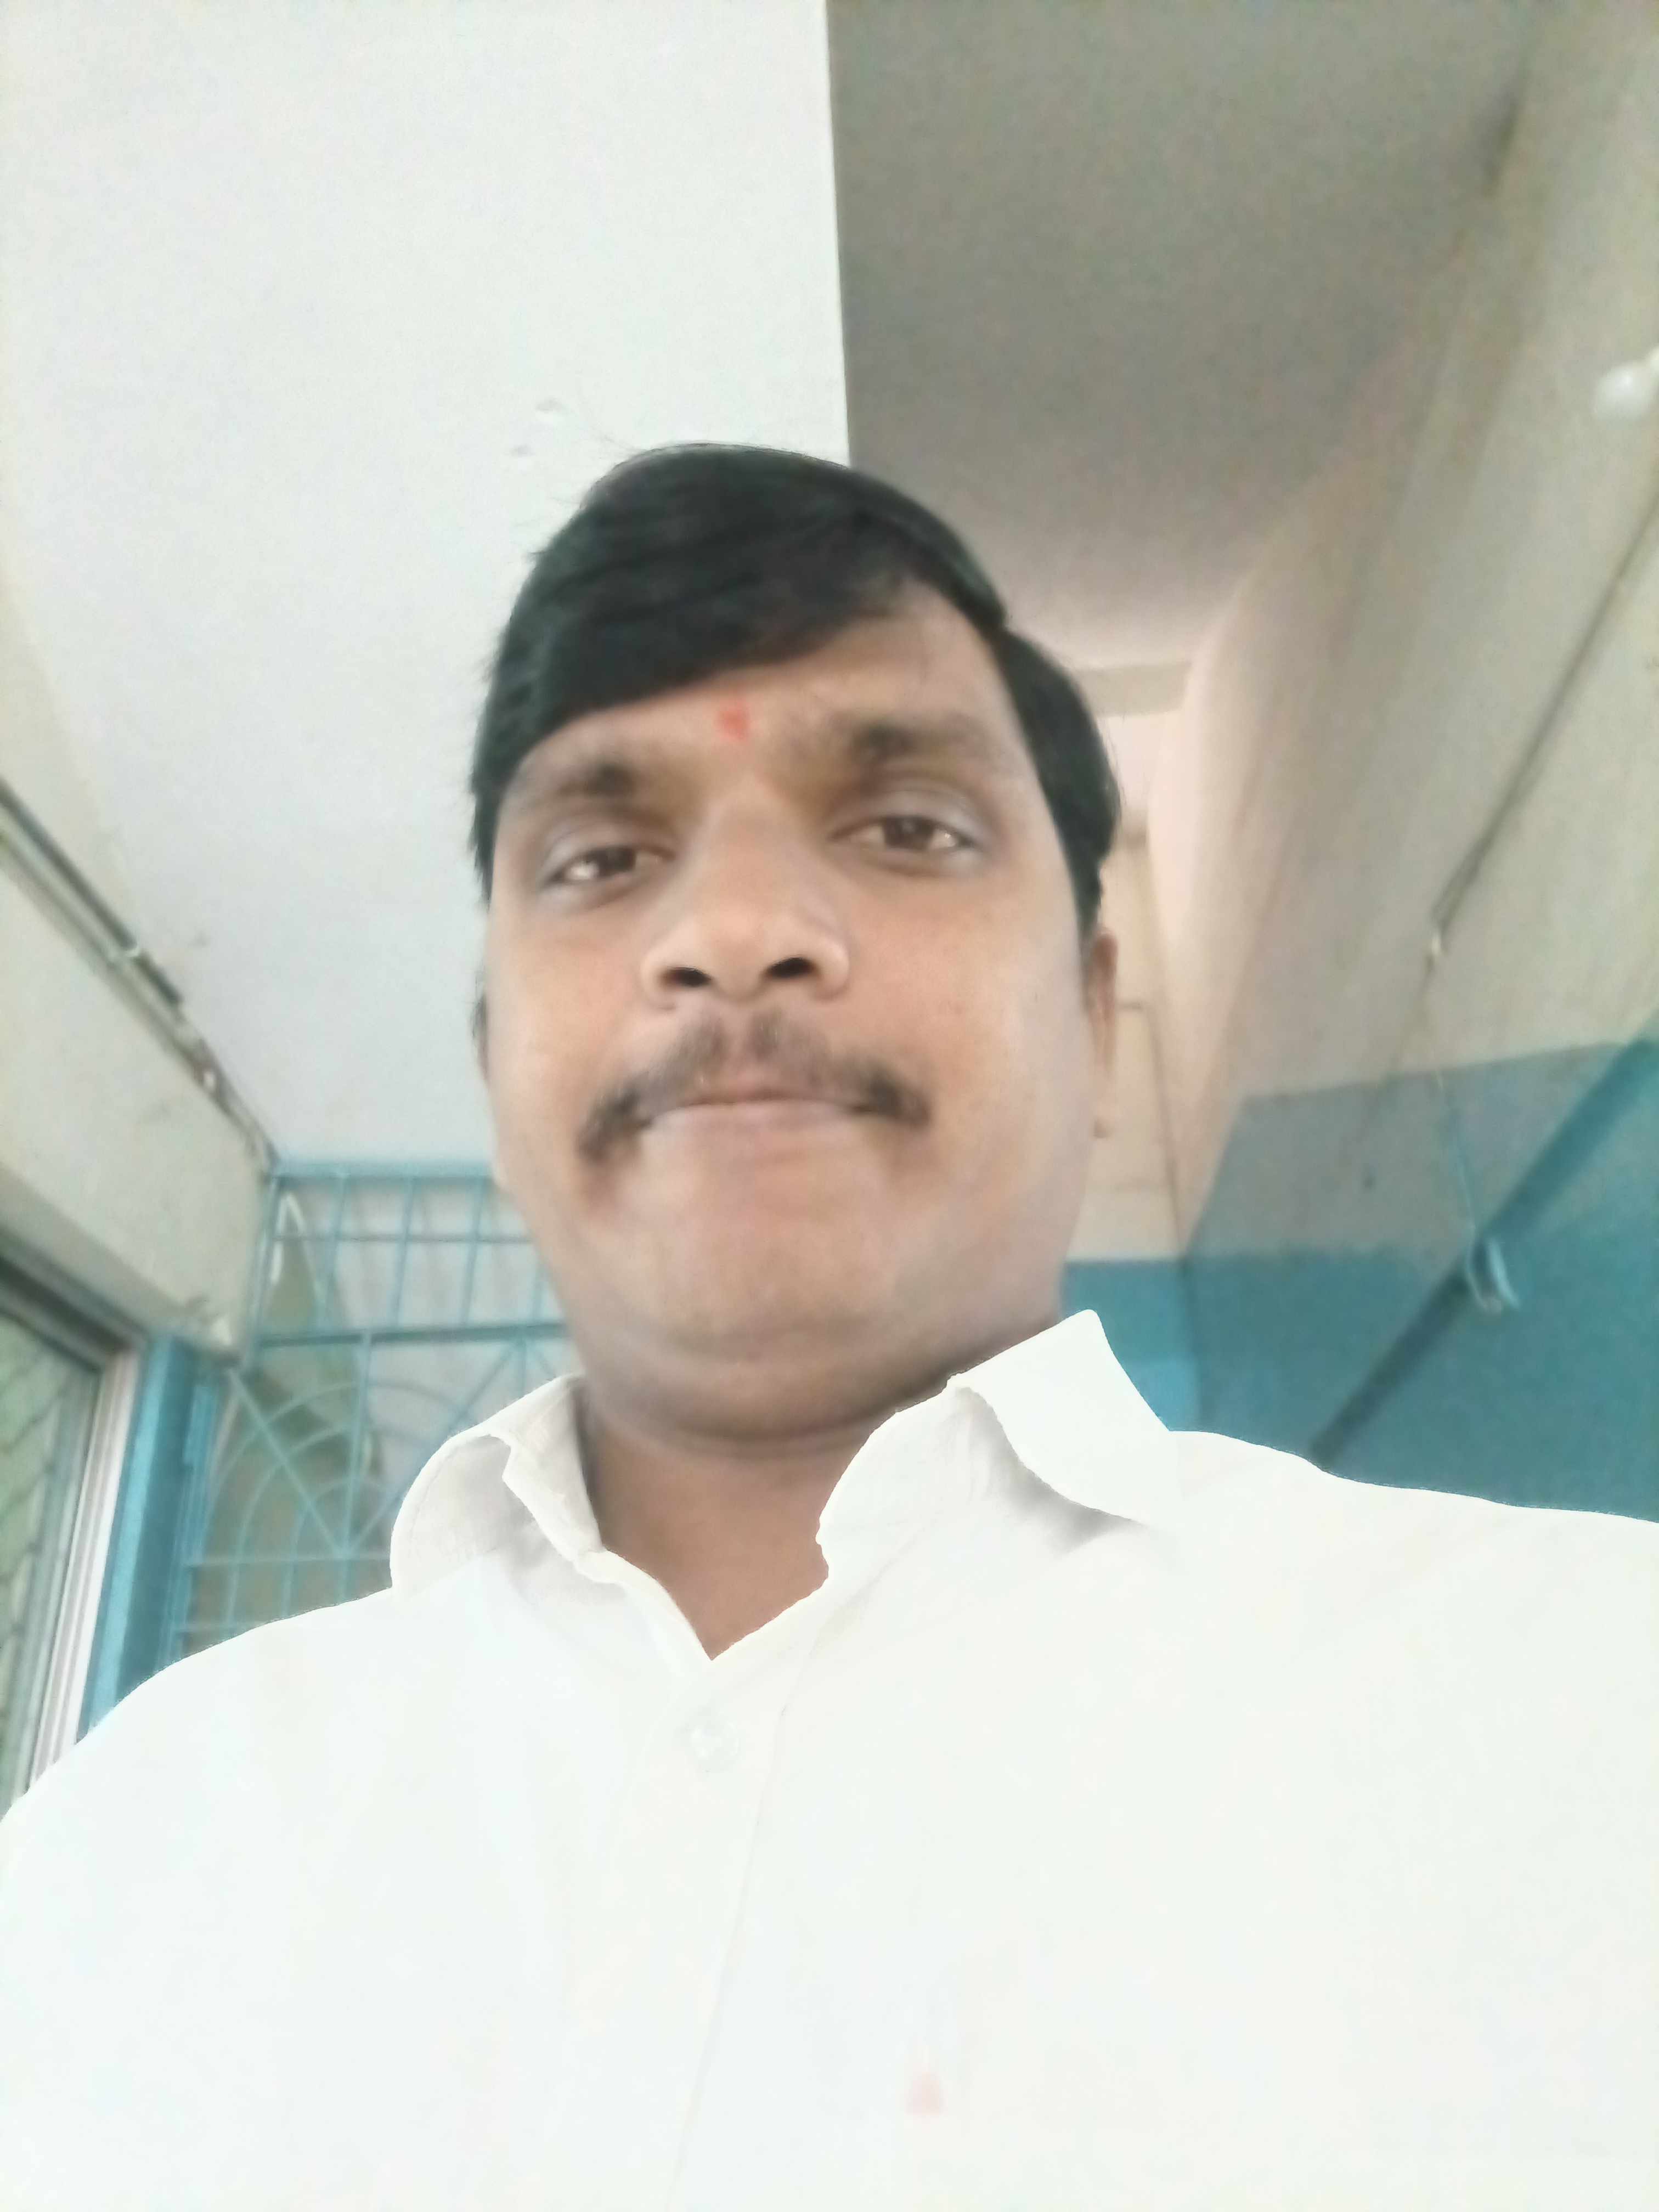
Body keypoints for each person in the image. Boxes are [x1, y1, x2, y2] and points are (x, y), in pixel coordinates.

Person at [1, 446, 1654, 2211]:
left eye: (908, 829)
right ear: (494, 1055)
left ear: (1095, 1015)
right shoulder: (133, 1841)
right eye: (603, 856)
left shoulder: (1584, 1727)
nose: (733, 935)